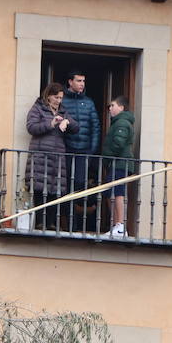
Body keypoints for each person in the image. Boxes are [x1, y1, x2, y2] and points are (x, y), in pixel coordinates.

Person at [24, 83, 77, 231]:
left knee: (56, 189)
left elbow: (76, 128)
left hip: (57, 155)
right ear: (48, 96)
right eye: (56, 97)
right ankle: (40, 222)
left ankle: (52, 222)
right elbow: (31, 127)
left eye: (61, 98)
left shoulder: (63, 111)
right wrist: (51, 123)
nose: (58, 100)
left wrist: (68, 122)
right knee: (40, 188)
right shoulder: (38, 108)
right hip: (40, 154)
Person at [59, 72, 101, 230]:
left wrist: (92, 151)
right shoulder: (63, 100)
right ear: (70, 81)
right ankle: (67, 224)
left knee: (79, 185)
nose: (82, 83)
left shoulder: (89, 102)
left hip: (84, 151)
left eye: (84, 81)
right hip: (66, 150)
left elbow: (95, 127)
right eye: (79, 80)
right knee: (64, 186)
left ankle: (76, 224)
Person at [99, 95, 136, 238]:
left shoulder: (122, 123)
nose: (110, 108)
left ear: (121, 107)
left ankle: (120, 225)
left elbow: (118, 143)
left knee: (117, 192)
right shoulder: (118, 122)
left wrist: (107, 155)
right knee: (110, 192)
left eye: (112, 105)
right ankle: (116, 225)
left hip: (120, 163)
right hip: (116, 163)